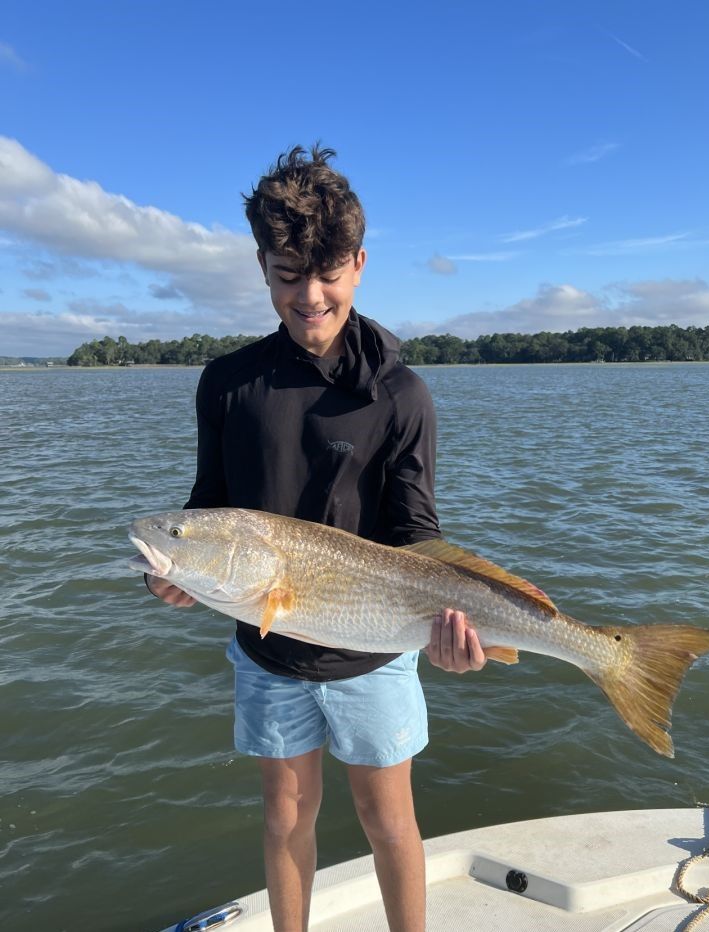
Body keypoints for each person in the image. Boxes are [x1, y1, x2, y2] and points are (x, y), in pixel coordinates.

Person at [145, 145, 486, 932]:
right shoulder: (227, 384)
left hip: (378, 649)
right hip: (268, 651)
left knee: (387, 820)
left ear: (360, 263)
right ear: (262, 268)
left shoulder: (401, 392)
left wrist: (454, 634)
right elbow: (209, 507)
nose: (310, 295)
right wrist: (176, 575)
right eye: (287, 274)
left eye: (328, 271)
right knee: (284, 816)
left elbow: (416, 533)